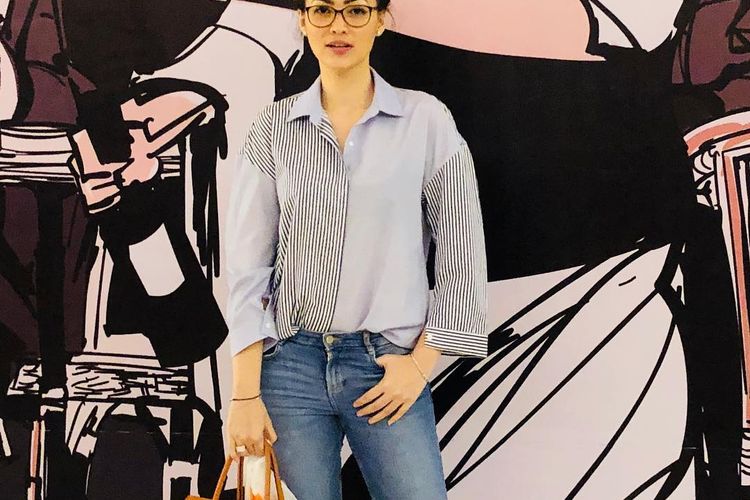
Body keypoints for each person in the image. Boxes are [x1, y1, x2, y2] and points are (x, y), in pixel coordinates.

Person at [224, 1, 488, 499]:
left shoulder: (424, 120)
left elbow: (463, 257)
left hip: (387, 364)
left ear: (381, 20)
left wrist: (420, 366)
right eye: (323, 10)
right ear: (303, 20)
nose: (338, 26)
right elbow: (248, 269)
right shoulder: (273, 128)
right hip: (289, 369)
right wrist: (244, 395)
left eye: (357, 10)